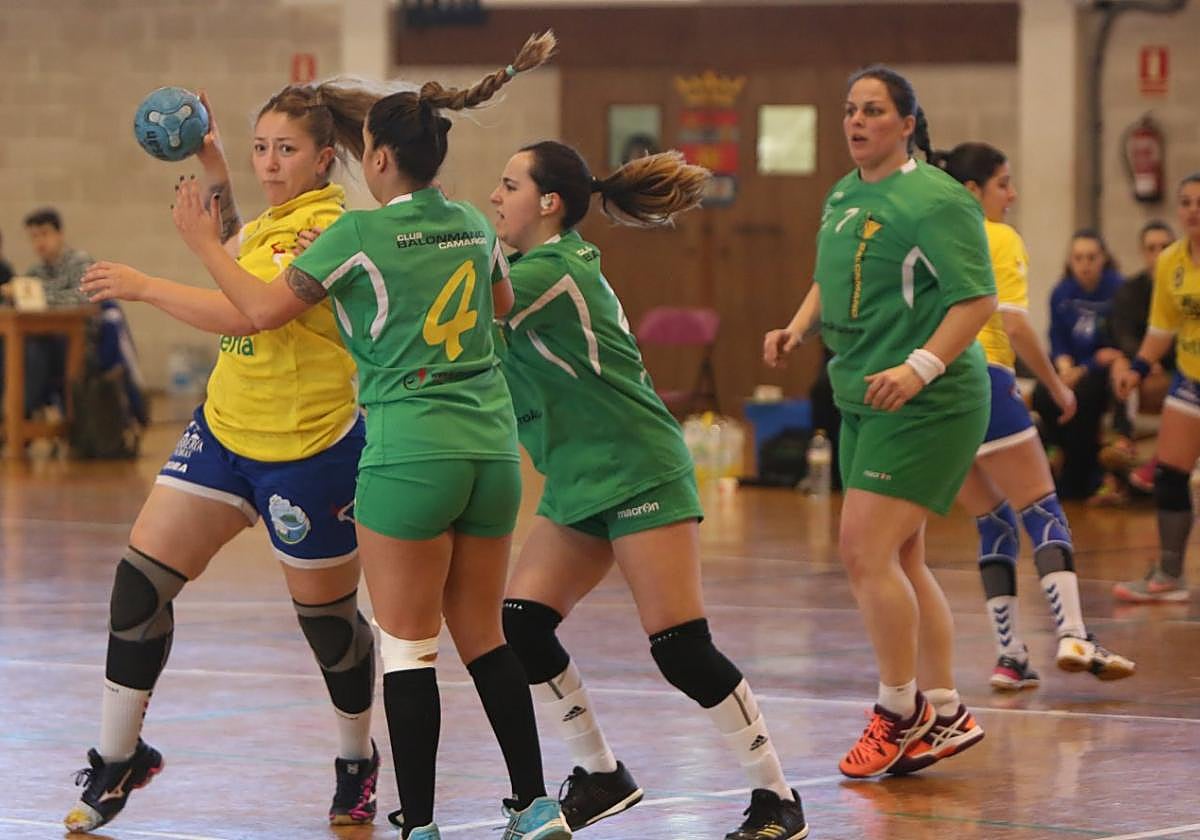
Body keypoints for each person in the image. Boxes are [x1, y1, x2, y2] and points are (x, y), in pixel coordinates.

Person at [176, 33, 570, 840]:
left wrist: (201, 246)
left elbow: (257, 312)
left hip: (410, 453)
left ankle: (419, 824)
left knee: (408, 650)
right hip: (492, 455)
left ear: (379, 158)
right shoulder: (469, 221)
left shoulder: (355, 236)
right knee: (485, 637)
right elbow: (497, 310)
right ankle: (536, 805)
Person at [66, 83, 382, 833]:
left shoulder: (330, 229)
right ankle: (118, 762)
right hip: (224, 436)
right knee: (138, 589)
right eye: (260, 148)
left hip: (307, 453)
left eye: (287, 150)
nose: (270, 164)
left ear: (325, 158)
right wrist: (211, 161)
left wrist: (148, 284)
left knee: (329, 624)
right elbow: (241, 245)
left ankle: (355, 763)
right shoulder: (278, 220)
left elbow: (252, 309)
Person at [491, 142, 809, 840]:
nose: (495, 198)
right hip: (579, 477)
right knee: (521, 621)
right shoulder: (521, 269)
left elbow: (468, 298)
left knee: (679, 648)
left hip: (639, 469)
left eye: (508, 185)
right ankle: (601, 773)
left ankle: (776, 797)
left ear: (548, 204)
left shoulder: (554, 268)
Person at [764, 65, 996, 779]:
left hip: (927, 400)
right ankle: (948, 711)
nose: (857, 121)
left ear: (906, 123)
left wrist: (919, 366)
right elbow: (829, 274)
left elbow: (976, 300)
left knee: (863, 550)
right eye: (849, 108)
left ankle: (899, 713)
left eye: (872, 110)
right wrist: (800, 326)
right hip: (862, 393)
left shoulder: (935, 199)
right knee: (901, 560)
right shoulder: (844, 191)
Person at [933, 141, 1135, 690]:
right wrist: (1055, 388)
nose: (1014, 194)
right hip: (986, 380)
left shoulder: (928, 236)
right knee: (1043, 508)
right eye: (1004, 183)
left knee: (992, 521)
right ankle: (1072, 631)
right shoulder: (998, 237)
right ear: (974, 191)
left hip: (934, 397)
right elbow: (1016, 326)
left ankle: (1010, 655)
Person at [1110, 173, 1200, 604]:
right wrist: (1140, 367)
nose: (1193, 210)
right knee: (1170, 473)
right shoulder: (1172, 261)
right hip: (1191, 378)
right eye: (1185, 202)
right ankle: (1169, 574)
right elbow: (1162, 326)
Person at [1031, 230, 1125, 501]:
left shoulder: (1118, 289)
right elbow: (1057, 337)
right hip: (1069, 364)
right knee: (1044, 394)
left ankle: (1084, 475)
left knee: (1083, 397)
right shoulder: (1062, 291)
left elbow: (1115, 346)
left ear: (1103, 259)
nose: (1085, 264)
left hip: (1100, 367)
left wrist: (1083, 369)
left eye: (1091, 257)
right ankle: (1060, 457)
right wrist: (1063, 368)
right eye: (1078, 258)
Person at [1106, 220, 1176, 493]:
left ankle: (1155, 464)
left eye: (1165, 247)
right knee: (1120, 367)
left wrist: (1155, 358)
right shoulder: (1129, 291)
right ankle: (1122, 444)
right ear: (1143, 253)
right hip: (1143, 367)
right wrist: (1145, 360)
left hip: (1180, 369)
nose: (1159, 254)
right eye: (1152, 248)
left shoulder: (1186, 287)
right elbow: (1123, 335)